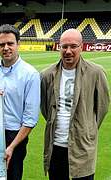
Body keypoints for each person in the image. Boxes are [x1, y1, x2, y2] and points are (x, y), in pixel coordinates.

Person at [41, 28, 110, 180]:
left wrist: (87, 128)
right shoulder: (47, 75)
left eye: (73, 46)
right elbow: (45, 108)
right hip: (56, 147)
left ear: (81, 47)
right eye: (64, 46)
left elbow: (102, 107)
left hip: (82, 147)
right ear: (59, 47)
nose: (68, 51)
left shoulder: (96, 73)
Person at [0, 24, 40, 180]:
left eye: (10, 43)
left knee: (12, 176)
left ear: (18, 44)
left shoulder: (30, 75)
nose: (6, 48)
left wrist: (11, 147)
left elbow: (30, 119)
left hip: (14, 137)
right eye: (2, 44)